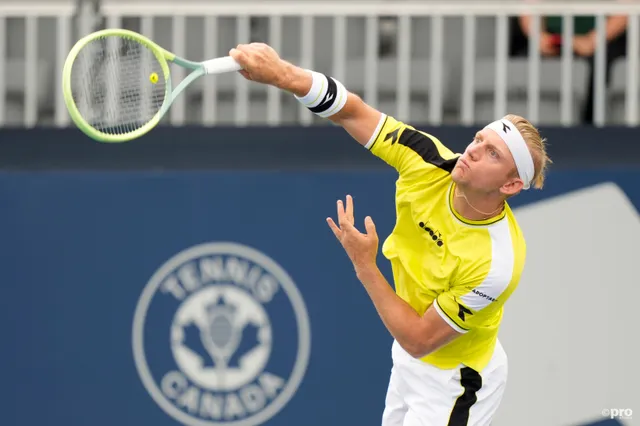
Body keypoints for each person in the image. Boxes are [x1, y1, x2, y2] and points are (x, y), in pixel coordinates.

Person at [229, 42, 551, 425]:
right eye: (480, 139)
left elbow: (419, 338)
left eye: (493, 154)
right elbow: (352, 111)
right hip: (409, 360)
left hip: (454, 382)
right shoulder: (428, 160)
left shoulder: (496, 263)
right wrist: (283, 74)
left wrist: (365, 265)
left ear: (511, 186)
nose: (474, 150)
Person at [511, 8, 628, 124]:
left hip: (603, 44)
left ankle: (593, 127)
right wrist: (541, 39)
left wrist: (592, 40)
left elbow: (626, 8)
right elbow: (529, 8)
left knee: (599, 69)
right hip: (553, 42)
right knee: (526, 63)